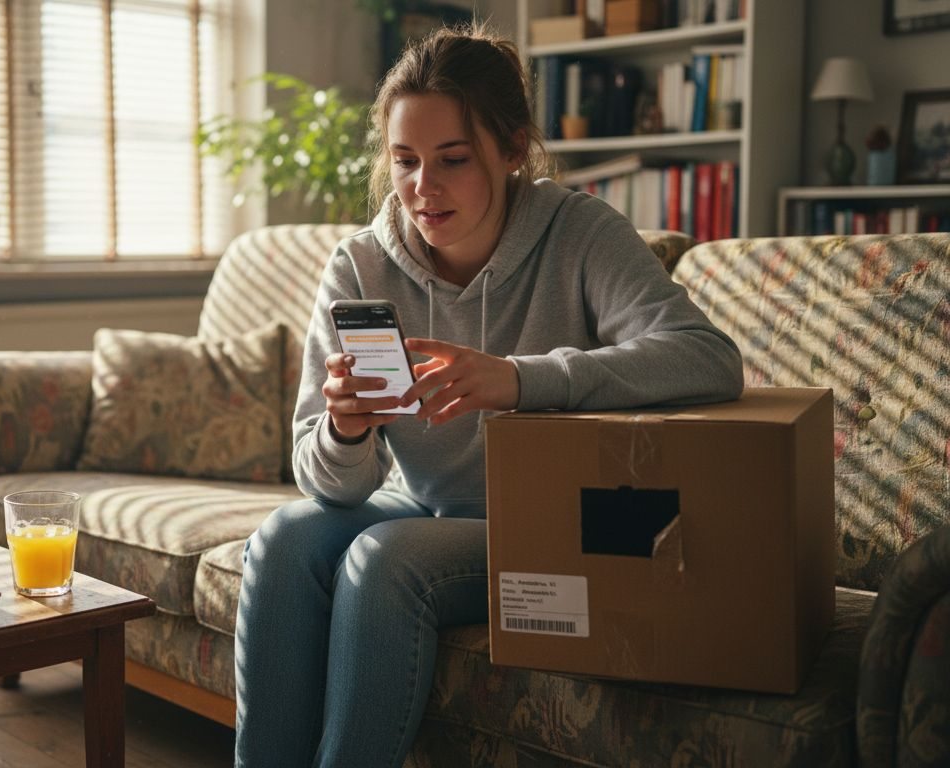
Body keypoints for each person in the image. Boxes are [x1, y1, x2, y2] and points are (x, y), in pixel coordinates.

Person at [232, 25, 744, 768]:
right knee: (282, 539)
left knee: (385, 561)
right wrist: (345, 433)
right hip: (420, 500)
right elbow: (329, 486)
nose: (422, 189)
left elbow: (708, 359)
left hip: (552, 518)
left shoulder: (580, 233)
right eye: (405, 161)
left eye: (452, 160)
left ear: (512, 151)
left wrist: (523, 377)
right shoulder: (361, 266)